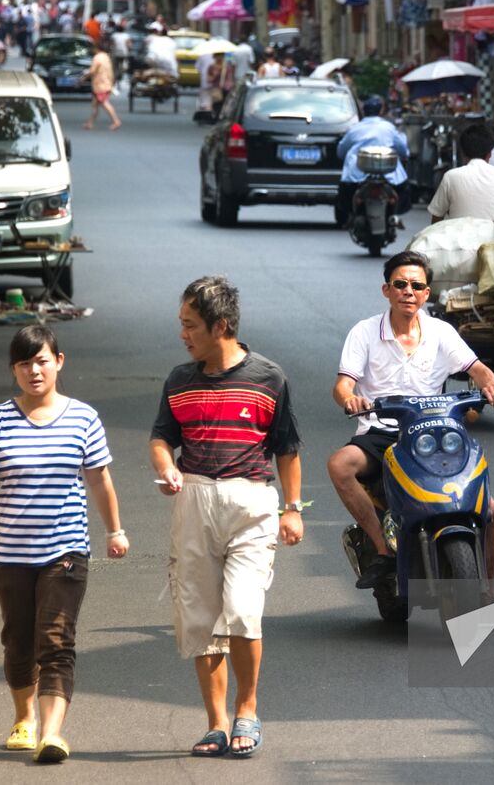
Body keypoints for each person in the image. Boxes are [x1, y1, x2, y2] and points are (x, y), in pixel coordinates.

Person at [150, 277, 304, 759]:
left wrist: (293, 509)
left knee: (242, 610)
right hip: (194, 500)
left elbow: (287, 449)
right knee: (200, 618)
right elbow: (160, 438)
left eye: (190, 325)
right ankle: (216, 723)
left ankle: (248, 709)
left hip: (250, 504)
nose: (183, 335)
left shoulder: (268, 377)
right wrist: (167, 467)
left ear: (221, 326)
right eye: (182, 325)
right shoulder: (179, 380)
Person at [0, 325, 128, 765]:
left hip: (66, 550)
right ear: (14, 370)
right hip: (11, 553)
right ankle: (25, 718)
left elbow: (99, 478)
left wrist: (115, 529)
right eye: (24, 363)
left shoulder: (83, 418)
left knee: (56, 641)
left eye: (41, 360)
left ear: (59, 361)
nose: (33, 370)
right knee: (18, 640)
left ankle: (52, 734)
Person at [328, 251, 494, 589]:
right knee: (340, 465)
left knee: (492, 510)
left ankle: (489, 594)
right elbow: (342, 385)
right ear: (387, 290)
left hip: (435, 434)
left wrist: (490, 384)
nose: (408, 291)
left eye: (416, 285)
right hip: (380, 432)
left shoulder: (441, 332)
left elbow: (476, 368)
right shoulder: (364, 332)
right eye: (400, 284)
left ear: (427, 294)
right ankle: (383, 551)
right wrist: (350, 399)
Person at [427, 122, 494, 222]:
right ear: (490, 154)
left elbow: (436, 219)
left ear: (463, 154)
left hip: (461, 239)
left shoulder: (450, 177)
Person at [337, 95, 410, 226]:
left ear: (364, 111)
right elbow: (402, 148)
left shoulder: (355, 128)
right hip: (389, 173)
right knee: (404, 187)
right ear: (380, 111)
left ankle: (351, 218)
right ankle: (394, 215)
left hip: (357, 174)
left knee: (345, 190)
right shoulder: (388, 127)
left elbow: (341, 151)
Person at [84, 45, 121, 130]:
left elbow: (92, 71)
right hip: (106, 83)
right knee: (95, 104)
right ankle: (90, 123)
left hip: (100, 84)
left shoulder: (97, 58)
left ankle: (116, 121)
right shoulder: (106, 57)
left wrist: (85, 76)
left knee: (104, 102)